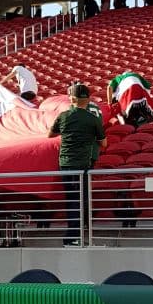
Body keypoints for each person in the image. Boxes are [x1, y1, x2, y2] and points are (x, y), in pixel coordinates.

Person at [48, 83, 107, 246]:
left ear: (71, 98)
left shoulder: (64, 115)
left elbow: (50, 134)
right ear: (87, 99)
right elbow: (103, 142)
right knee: (80, 199)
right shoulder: (93, 117)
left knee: (72, 199)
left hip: (66, 162)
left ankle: (75, 235)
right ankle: (75, 235)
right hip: (84, 161)